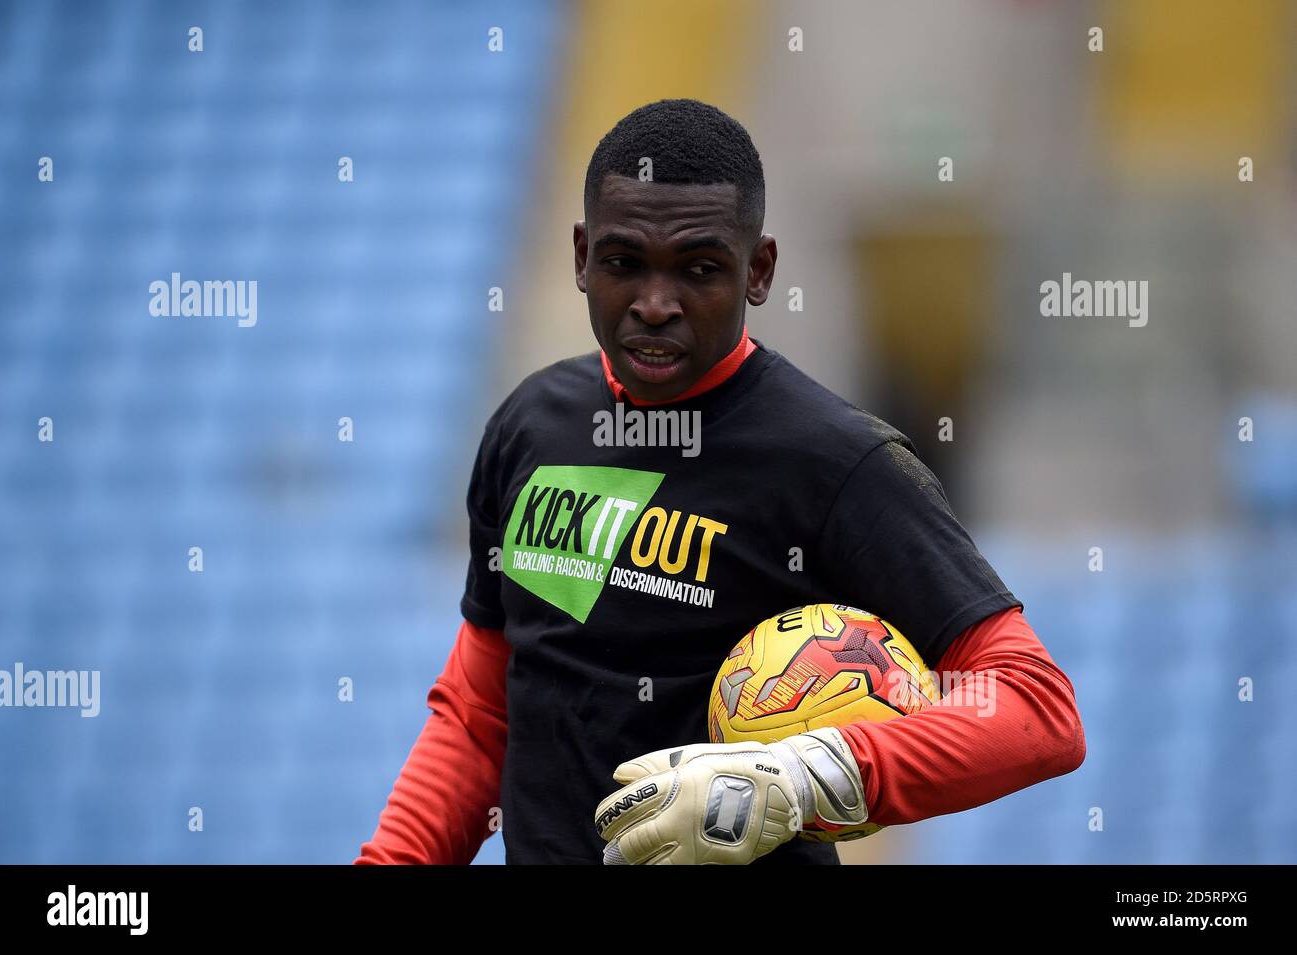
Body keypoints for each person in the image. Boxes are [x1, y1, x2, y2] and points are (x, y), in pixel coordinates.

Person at [355, 98, 1085, 865]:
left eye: (700, 269)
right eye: (622, 262)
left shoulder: (834, 462)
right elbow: (479, 715)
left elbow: (1036, 707)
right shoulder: (531, 426)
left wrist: (807, 780)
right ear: (580, 256)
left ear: (759, 270)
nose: (655, 304)